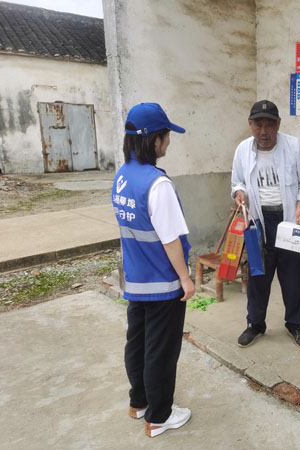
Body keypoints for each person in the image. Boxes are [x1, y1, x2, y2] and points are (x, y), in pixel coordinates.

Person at [112, 102, 195, 437]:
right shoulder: (157, 185)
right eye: (166, 135)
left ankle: (139, 403)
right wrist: (186, 279)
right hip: (162, 283)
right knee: (161, 351)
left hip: (136, 280)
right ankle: (159, 416)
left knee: (138, 343)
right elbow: (170, 240)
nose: (169, 142)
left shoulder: (122, 176)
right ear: (152, 139)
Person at [231, 100, 300, 349]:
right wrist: (239, 193)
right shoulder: (242, 150)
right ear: (250, 124)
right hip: (258, 222)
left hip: (287, 220)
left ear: (278, 124)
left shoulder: (293, 146)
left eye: (269, 125)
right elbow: (237, 182)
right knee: (258, 275)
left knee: (293, 277)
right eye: (258, 125)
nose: (264, 131)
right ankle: (255, 324)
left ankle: (295, 324)